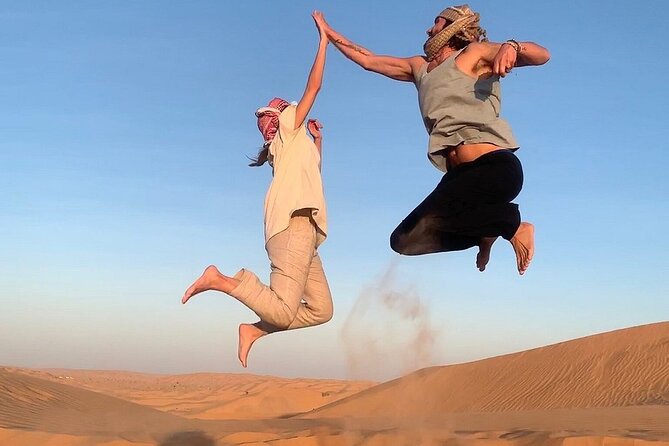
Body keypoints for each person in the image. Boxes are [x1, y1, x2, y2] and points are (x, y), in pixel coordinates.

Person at [314, 5, 550, 274]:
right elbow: (368, 60)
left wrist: (512, 46)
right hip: (457, 178)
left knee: (447, 214)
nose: (429, 28)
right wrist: (328, 33)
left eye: (436, 23)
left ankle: (512, 225)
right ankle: (485, 232)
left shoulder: (473, 54)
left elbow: (542, 55)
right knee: (404, 240)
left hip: (493, 169)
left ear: (452, 28)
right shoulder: (420, 68)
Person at [181, 12, 332, 368]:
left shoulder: (293, 145)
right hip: (292, 227)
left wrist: (318, 140)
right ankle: (221, 280)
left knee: (322, 310)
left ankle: (254, 330)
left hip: (307, 232)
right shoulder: (287, 126)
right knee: (282, 313)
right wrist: (323, 42)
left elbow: (314, 173)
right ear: (282, 115)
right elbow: (314, 88)